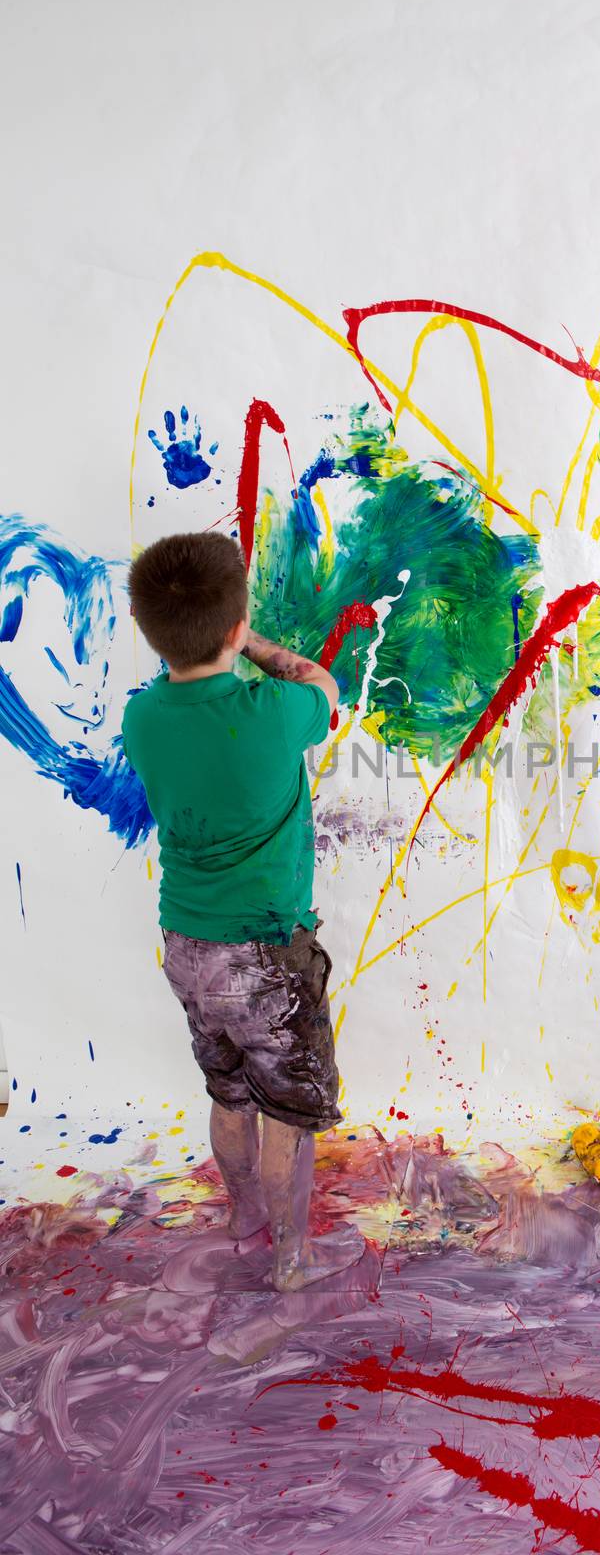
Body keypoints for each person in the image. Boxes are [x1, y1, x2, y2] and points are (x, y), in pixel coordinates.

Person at [123, 531, 362, 1291]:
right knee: (285, 1111)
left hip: (187, 947)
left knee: (228, 1093)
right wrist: (251, 640)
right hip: (265, 956)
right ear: (235, 626)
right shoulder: (272, 712)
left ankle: (243, 1216)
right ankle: (291, 1258)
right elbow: (324, 686)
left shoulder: (142, 720)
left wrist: (222, 636)